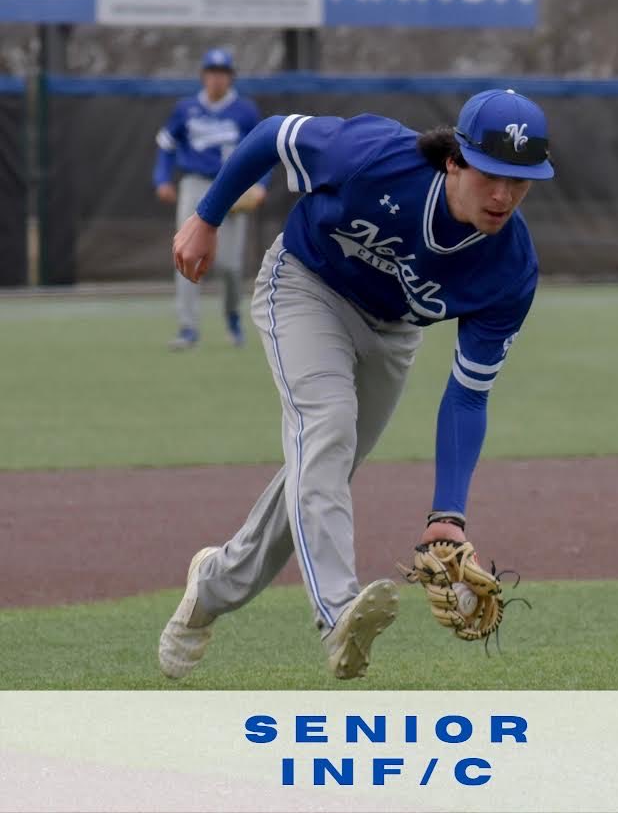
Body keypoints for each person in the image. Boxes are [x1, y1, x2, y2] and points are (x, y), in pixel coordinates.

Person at [159, 88, 554, 680]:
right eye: (491, 174)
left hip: (393, 332)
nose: (503, 195)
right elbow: (272, 133)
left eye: (520, 181)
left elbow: (469, 393)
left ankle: (212, 587)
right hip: (305, 286)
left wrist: (449, 513)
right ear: (455, 159)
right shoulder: (373, 154)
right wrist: (207, 216)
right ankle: (339, 611)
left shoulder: (511, 269)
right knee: (328, 427)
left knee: (322, 466)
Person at [153, 48, 272, 350]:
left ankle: (232, 317)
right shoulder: (186, 108)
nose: (216, 78)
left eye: (222, 73)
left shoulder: (245, 111)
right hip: (194, 184)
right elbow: (166, 144)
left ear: (230, 77)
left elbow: (262, 152)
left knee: (230, 265)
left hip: (231, 185)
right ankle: (188, 327)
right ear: (204, 76)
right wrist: (162, 178)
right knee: (186, 254)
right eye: (212, 72)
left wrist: (260, 185)